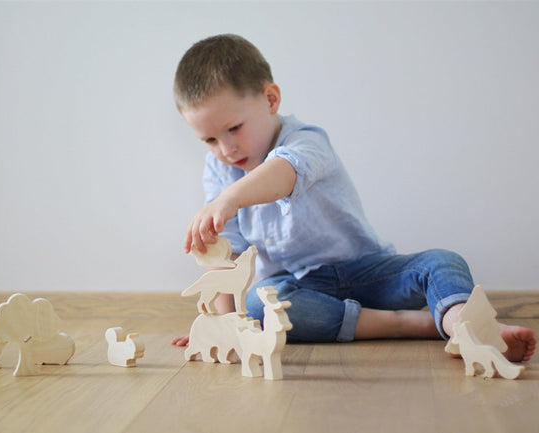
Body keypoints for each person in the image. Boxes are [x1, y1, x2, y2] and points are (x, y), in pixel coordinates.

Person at [171, 34, 535, 362]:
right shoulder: (220, 170)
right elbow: (225, 257)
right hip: (304, 287)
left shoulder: (305, 140)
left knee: (441, 262)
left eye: (234, 128)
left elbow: (282, 175)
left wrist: (228, 199)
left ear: (270, 99)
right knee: (260, 302)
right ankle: (416, 325)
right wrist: (221, 324)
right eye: (210, 140)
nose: (227, 149)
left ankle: (465, 325)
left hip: (369, 272)